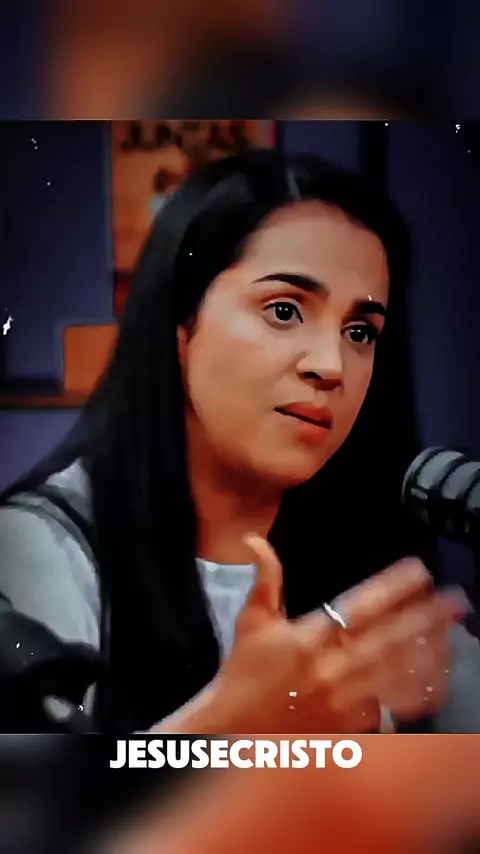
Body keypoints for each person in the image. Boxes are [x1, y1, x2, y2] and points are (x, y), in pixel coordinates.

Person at [0, 149, 479, 735]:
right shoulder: (40, 548)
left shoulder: (380, 565)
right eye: (284, 310)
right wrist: (228, 728)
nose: (331, 365)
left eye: (360, 332)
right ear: (181, 324)